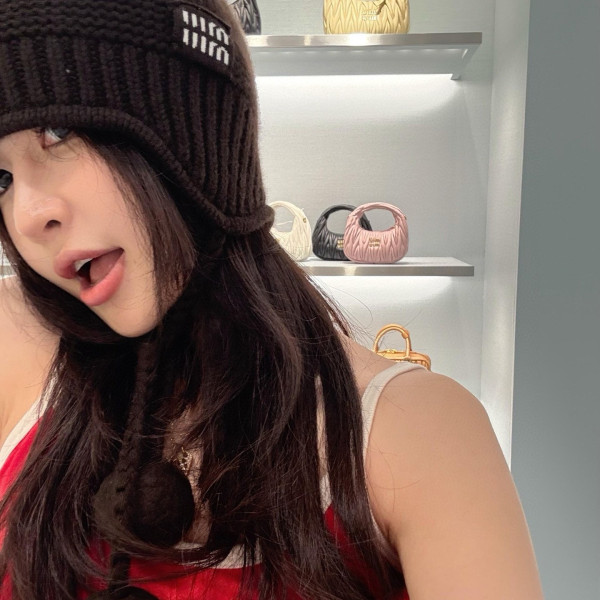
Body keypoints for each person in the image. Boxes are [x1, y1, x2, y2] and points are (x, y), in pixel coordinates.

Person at [0, 1, 544, 599]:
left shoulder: (418, 434)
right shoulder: (17, 344)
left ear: (192, 128)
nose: (27, 216)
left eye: (59, 133)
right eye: (1, 178)